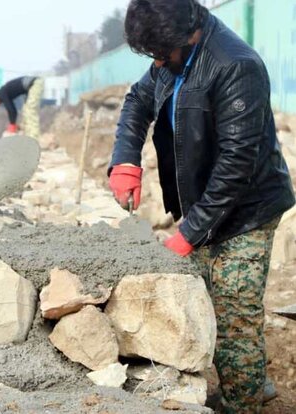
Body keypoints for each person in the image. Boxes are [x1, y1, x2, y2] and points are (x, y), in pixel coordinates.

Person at [108, 1, 295, 413]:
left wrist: (189, 234)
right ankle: (247, 379)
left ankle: (242, 401)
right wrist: (125, 160)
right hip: (203, 202)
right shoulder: (173, 57)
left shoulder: (234, 66)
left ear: (187, 33)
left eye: (161, 54)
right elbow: (138, 101)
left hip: (248, 209)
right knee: (207, 298)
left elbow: (235, 167)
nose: (156, 63)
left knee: (233, 317)